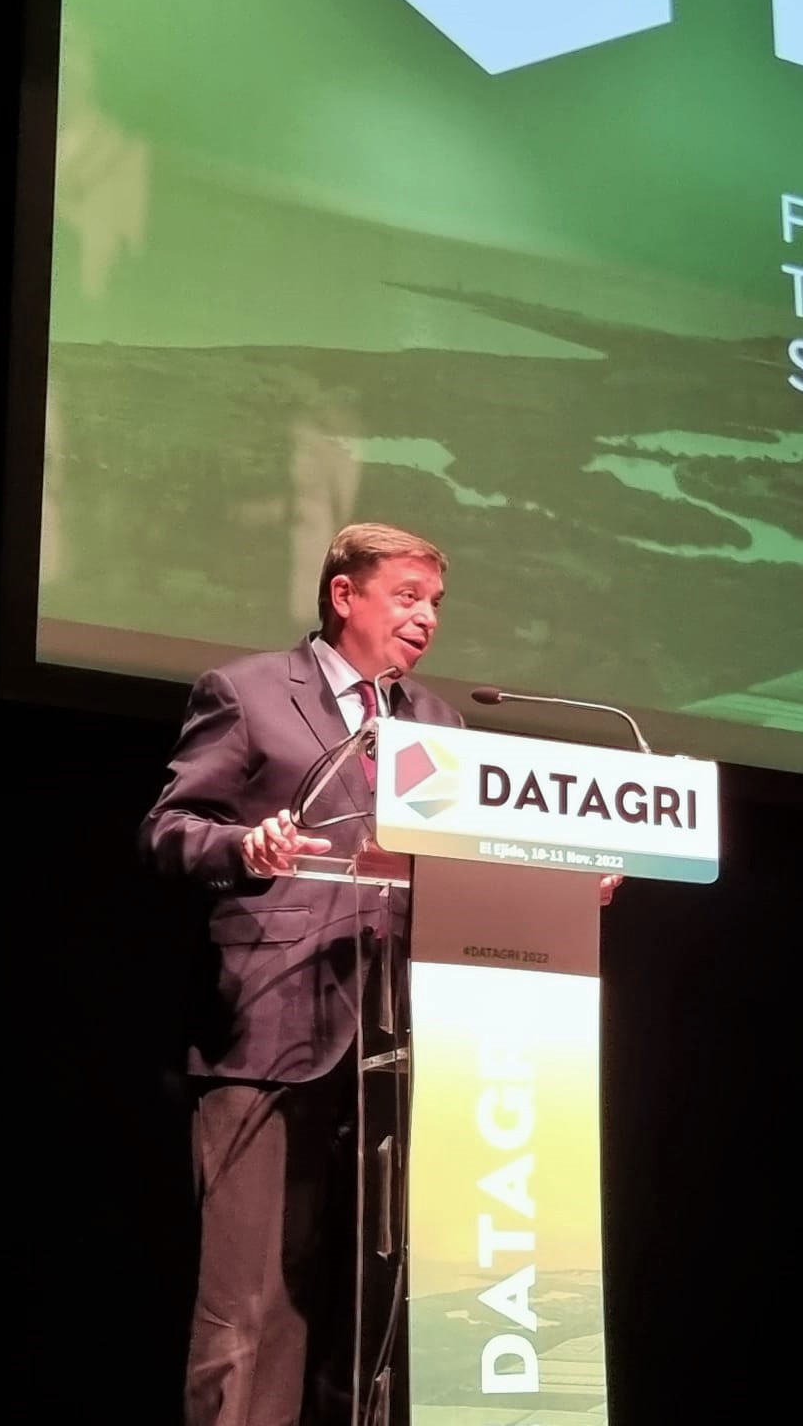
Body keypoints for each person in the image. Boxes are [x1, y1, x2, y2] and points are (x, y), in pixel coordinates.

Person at [141, 522, 616, 1426]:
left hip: (405, 1033)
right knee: (249, 1307)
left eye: (435, 603)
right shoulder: (246, 693)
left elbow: (474, 856)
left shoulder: (439, 723)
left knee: (379, 1304)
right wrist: (246, 845)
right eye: (406, 596)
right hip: (272, 1027)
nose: (426, 617)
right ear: (344, 595)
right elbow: (169, 828)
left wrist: (558, 881)